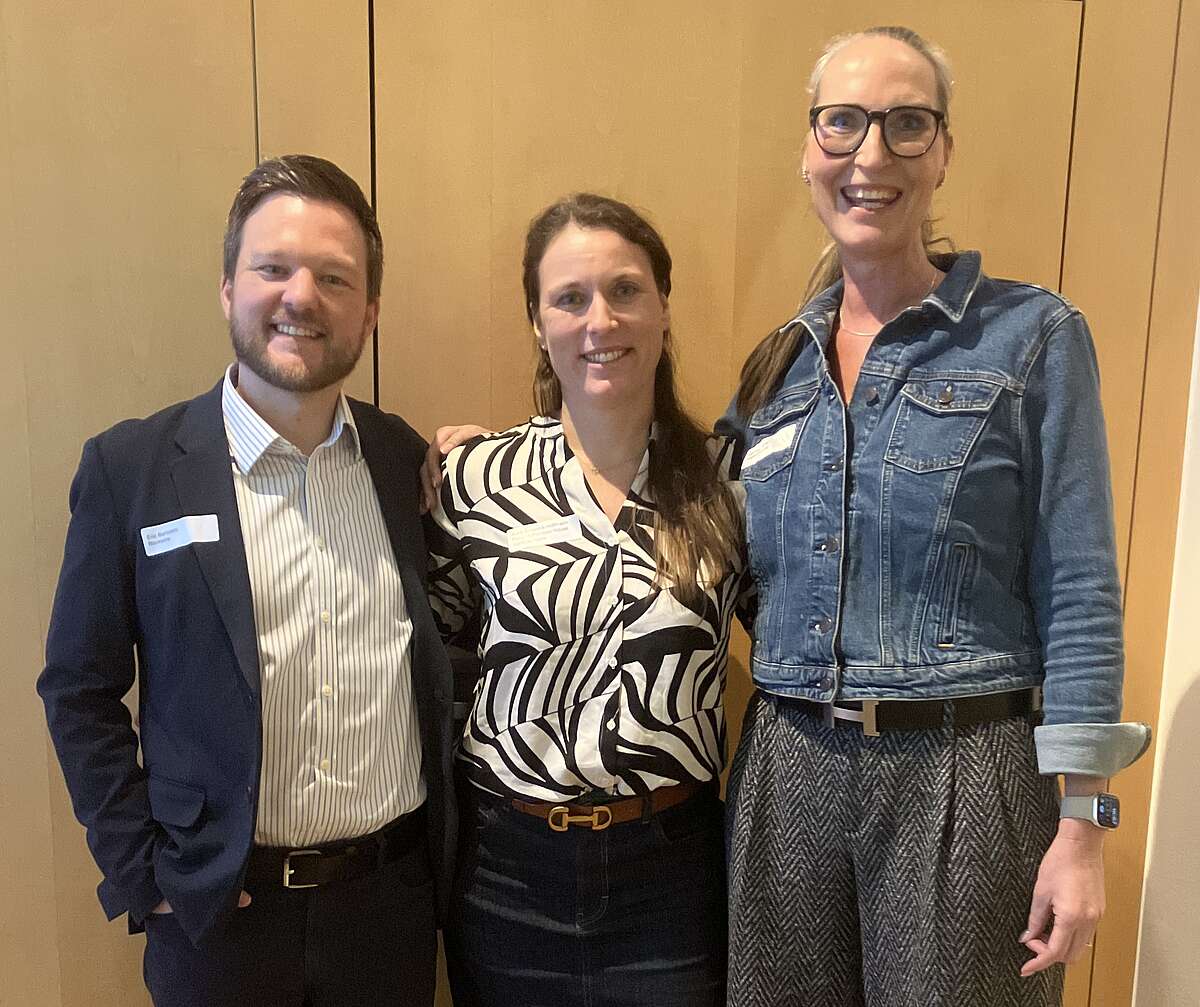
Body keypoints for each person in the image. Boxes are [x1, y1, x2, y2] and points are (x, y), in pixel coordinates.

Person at [719, 26, 1151, 1006]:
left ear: (944, 150)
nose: (871, 153)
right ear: (809, 149)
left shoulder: (1032, 337)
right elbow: (708, 541)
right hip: (785, 764)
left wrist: (1083, 826)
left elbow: (1080, 587)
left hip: (964, 769)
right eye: (843, 123)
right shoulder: (776, 368)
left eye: (906, 124)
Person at [37, 154, 455, 1007]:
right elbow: (78, 688)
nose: (302, 296)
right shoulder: (132, 468)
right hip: (219, 919)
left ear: (370, 311)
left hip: (389, 911)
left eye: (335, 277)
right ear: (228, 288)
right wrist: (142, 871)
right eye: (273, 268)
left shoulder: (402, 459)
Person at [424, 193, 752, 1006]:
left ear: (663, 306)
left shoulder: (731, 482)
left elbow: (793, 654)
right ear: (538, 323)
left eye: (625, 290)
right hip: (507, 872)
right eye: (570, 298)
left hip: (671, 876)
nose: (600, 320)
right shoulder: (475, 477)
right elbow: (428, 657)